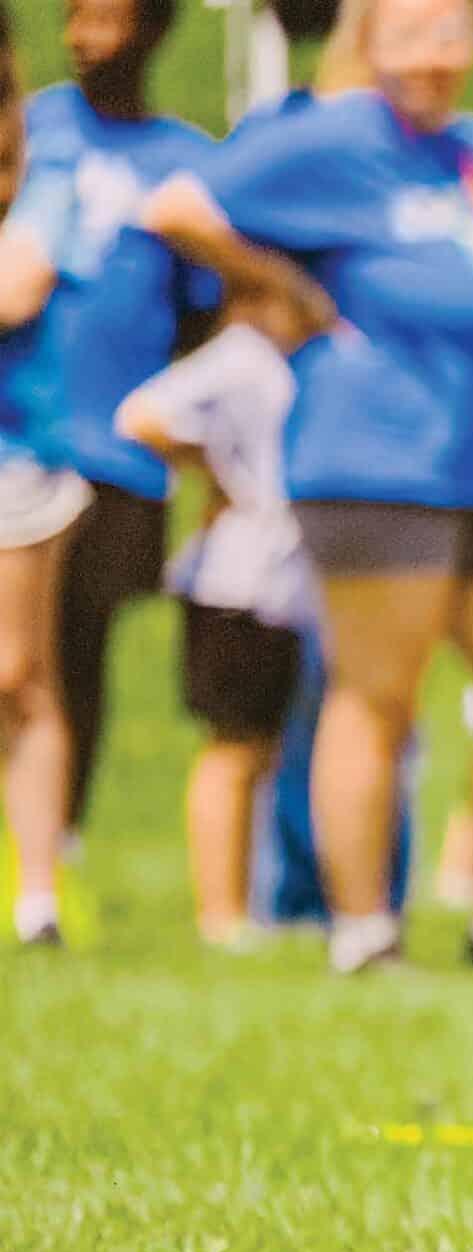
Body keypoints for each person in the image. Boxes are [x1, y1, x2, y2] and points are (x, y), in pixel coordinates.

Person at [143, 0, 473, 976]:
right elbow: (176, 208)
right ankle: (364, 929)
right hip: (374, 464)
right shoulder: (330, 140)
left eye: (451, 33)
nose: (432, 56)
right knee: (377, 697)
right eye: (409, 33)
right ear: (369, 41)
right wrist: (284, 286)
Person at [2, 0, 212, 852]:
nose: (87, 38)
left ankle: (62, 836)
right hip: (26, 430)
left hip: (119, 446)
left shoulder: (185, 161)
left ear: (156, 30)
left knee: (76, 645)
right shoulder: (31, 129)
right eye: (77, 17)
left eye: (110, 19)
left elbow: (203, 311)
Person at [113, 291, 311, 948]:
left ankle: (246, 903)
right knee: (234, 745)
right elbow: (142, 416)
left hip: (276, 581)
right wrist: (218, 469)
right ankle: (222, 913)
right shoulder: (238, 356)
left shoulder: (283, 357)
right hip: (234, 578)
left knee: (260, 747)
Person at [0, 6, 85, 948]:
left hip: (18, 451)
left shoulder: (45, 163)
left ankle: (37, 899)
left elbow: (15, 289)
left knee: (17, 673)